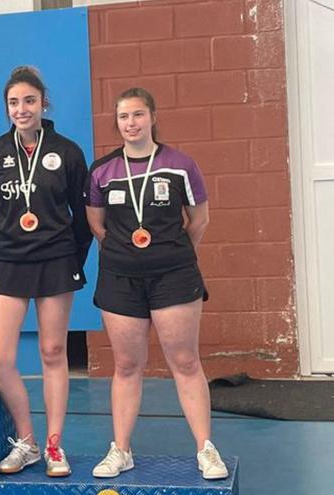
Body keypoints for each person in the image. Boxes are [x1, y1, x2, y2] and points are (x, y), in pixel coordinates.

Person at [85, 87, 228, 479]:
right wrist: (128, 255)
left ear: (152, 117)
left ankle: (205, 449)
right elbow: (97, 225)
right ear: (117, 123)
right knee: (127, 364)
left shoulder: (180, 164)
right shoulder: (102, 170)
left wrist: (172, 253)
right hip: (120, 278)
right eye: (123, 117)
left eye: (137, 115)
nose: (130, 123)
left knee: (184, 361)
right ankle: (122, 450)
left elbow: (198, 221)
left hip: (175, 276)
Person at [0, 66, 92, 477]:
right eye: (13, 103)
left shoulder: (69, 151)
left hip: (57, 260)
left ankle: (54, 444)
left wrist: (71, 260)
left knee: (52, 352)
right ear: (6, 108)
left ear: (44, 102)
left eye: (29, 100)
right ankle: (26, 441)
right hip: (9, 261)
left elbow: (83, 218)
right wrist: (8, 248)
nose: (21, 109)